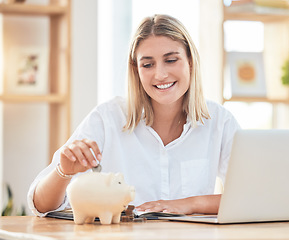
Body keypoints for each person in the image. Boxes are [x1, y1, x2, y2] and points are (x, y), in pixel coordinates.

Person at [28, 14, 240, 216]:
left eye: (171, 60)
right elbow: (40, 206)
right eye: (147, 64)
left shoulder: (220, 121)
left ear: (190, 61)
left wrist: (190, 204)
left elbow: (252, 196)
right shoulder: (107, 118)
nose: (160, 74)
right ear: (136, 69)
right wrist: (63, 172)